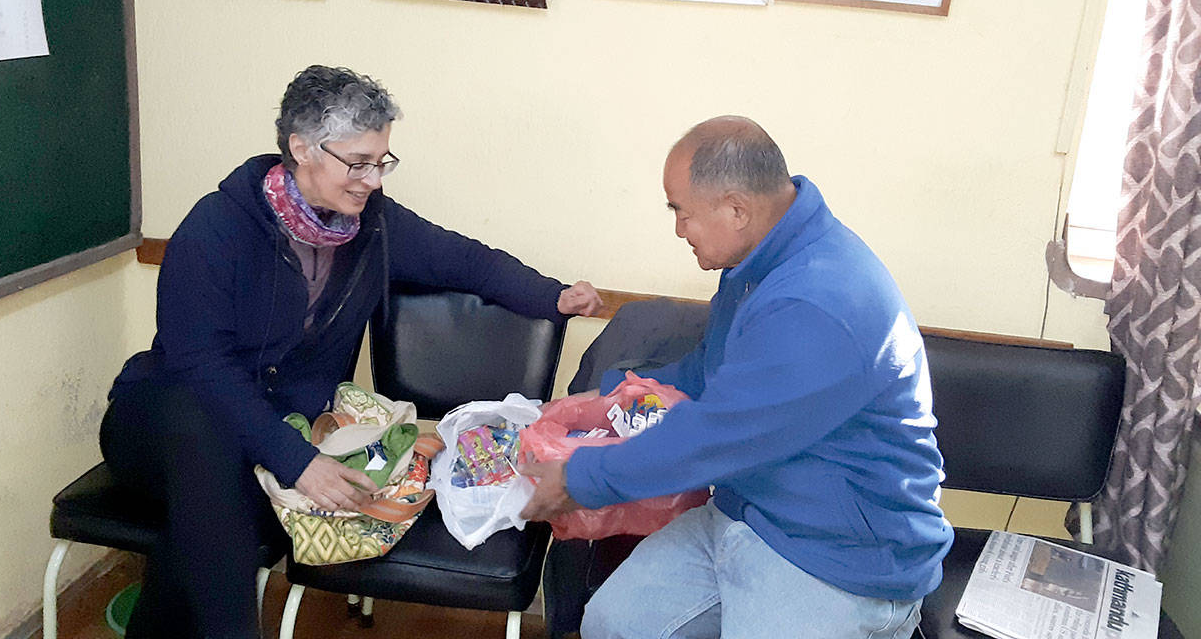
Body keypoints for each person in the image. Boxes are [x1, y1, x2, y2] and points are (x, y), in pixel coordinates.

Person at [100, 65, 603, 639]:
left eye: (381, 161)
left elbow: (464, 260)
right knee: (211, 464)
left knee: (205, 519)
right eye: (358, 162)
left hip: (266, 439)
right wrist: (297, 461)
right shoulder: (216, 231)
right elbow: (200, 370)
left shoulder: (373, 228)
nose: (372, 179)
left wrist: (552, 295)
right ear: (301, 148)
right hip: (164, 425)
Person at [521, 116, 953, 638]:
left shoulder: (816, 299)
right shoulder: (756, 264)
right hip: (748, 510)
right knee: (614, 624)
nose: (679, 229)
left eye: (681, 212)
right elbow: (708, 374)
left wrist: (579, 479)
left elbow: (715, 436)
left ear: (736, 209)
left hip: (840, 554)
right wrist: (609, 391)